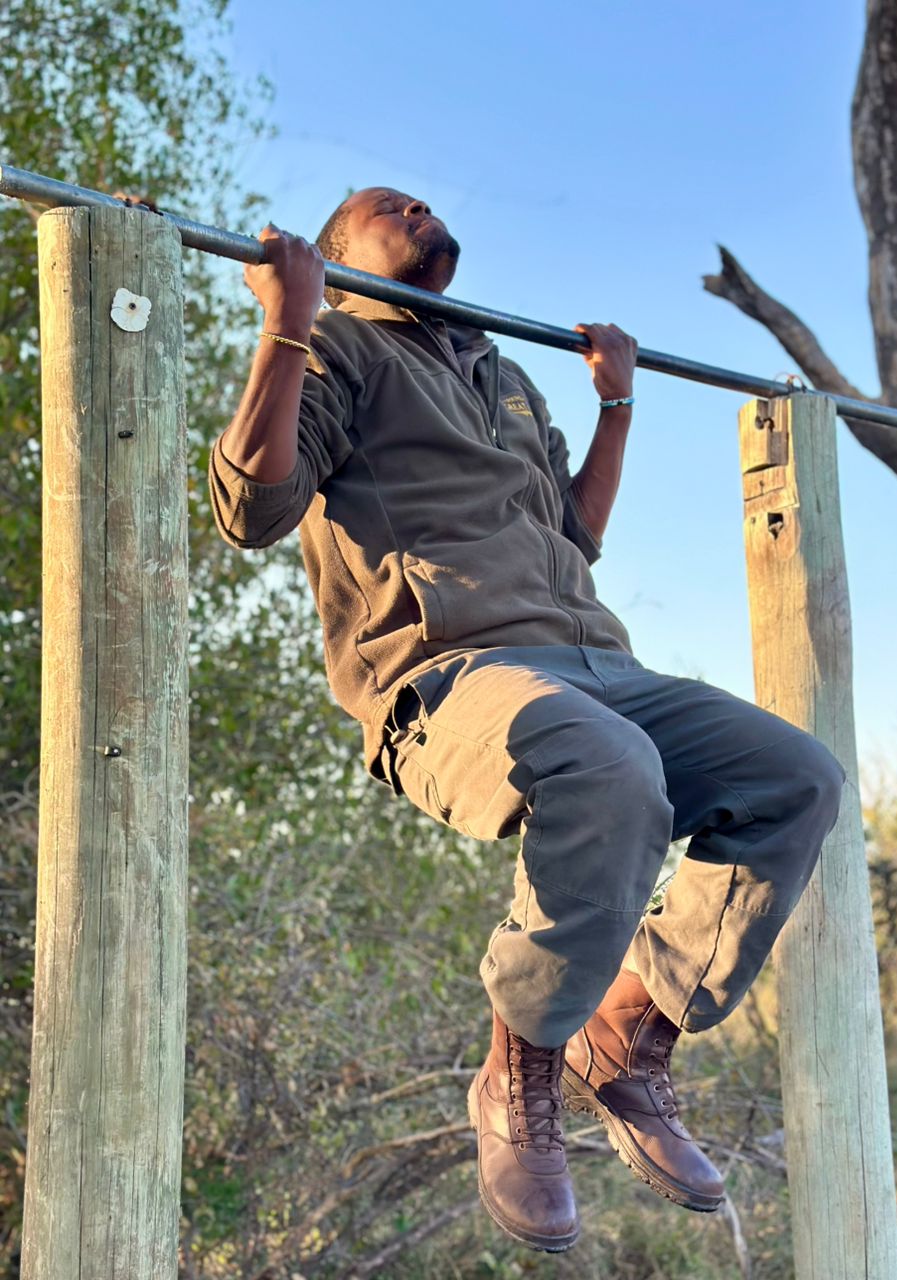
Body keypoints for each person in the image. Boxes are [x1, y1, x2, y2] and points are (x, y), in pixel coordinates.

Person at [209, 187, 844, 1253]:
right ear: (336, 255)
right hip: (453, 672)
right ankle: (522, 1071)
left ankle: (629, 1034)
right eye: (382, 207)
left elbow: (575, 533)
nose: (414, 205)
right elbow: (251, 510)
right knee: (611, 770)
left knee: (798, 776)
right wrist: (287, 323)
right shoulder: (340, 349)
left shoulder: (501, 373)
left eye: (418, 199)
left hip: (595, 657)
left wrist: (615, 404)